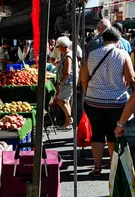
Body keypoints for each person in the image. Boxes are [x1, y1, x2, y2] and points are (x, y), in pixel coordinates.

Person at [82, 27, 135, 177]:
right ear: (118, 41)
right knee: (114, 134)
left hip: (93, 101)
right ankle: (114, 167)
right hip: (116, 102)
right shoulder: (122, 54)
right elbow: (131, 79)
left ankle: (97, 167)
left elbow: (84, 78)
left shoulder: (92, 54)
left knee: (97, 133)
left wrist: (89, 92)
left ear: (103, 40)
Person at [54, 36, 75, 129]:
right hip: (67, 82)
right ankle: (68, 121)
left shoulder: (68, 56)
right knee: (65, 101)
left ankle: (69, 118)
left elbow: (67, 71)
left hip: (67, 82)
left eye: (58, 46)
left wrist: (60, 83)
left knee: (60, 100)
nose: (58, 49)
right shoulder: (66, 55)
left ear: (62, 46)